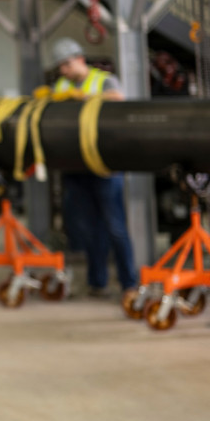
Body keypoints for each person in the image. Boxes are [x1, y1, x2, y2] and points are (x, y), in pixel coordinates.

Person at [50, 36, 139, 299]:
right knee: (87, 227)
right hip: (75, 166)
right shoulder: (61, 85)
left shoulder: (103, 80)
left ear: (79, 59)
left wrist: (85, 96)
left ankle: (129, 284)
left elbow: (118, 98)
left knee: (115, 227)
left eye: (66, 65)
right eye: (60, 68)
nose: (63, 72)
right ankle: (98, 282)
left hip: (104, 166)